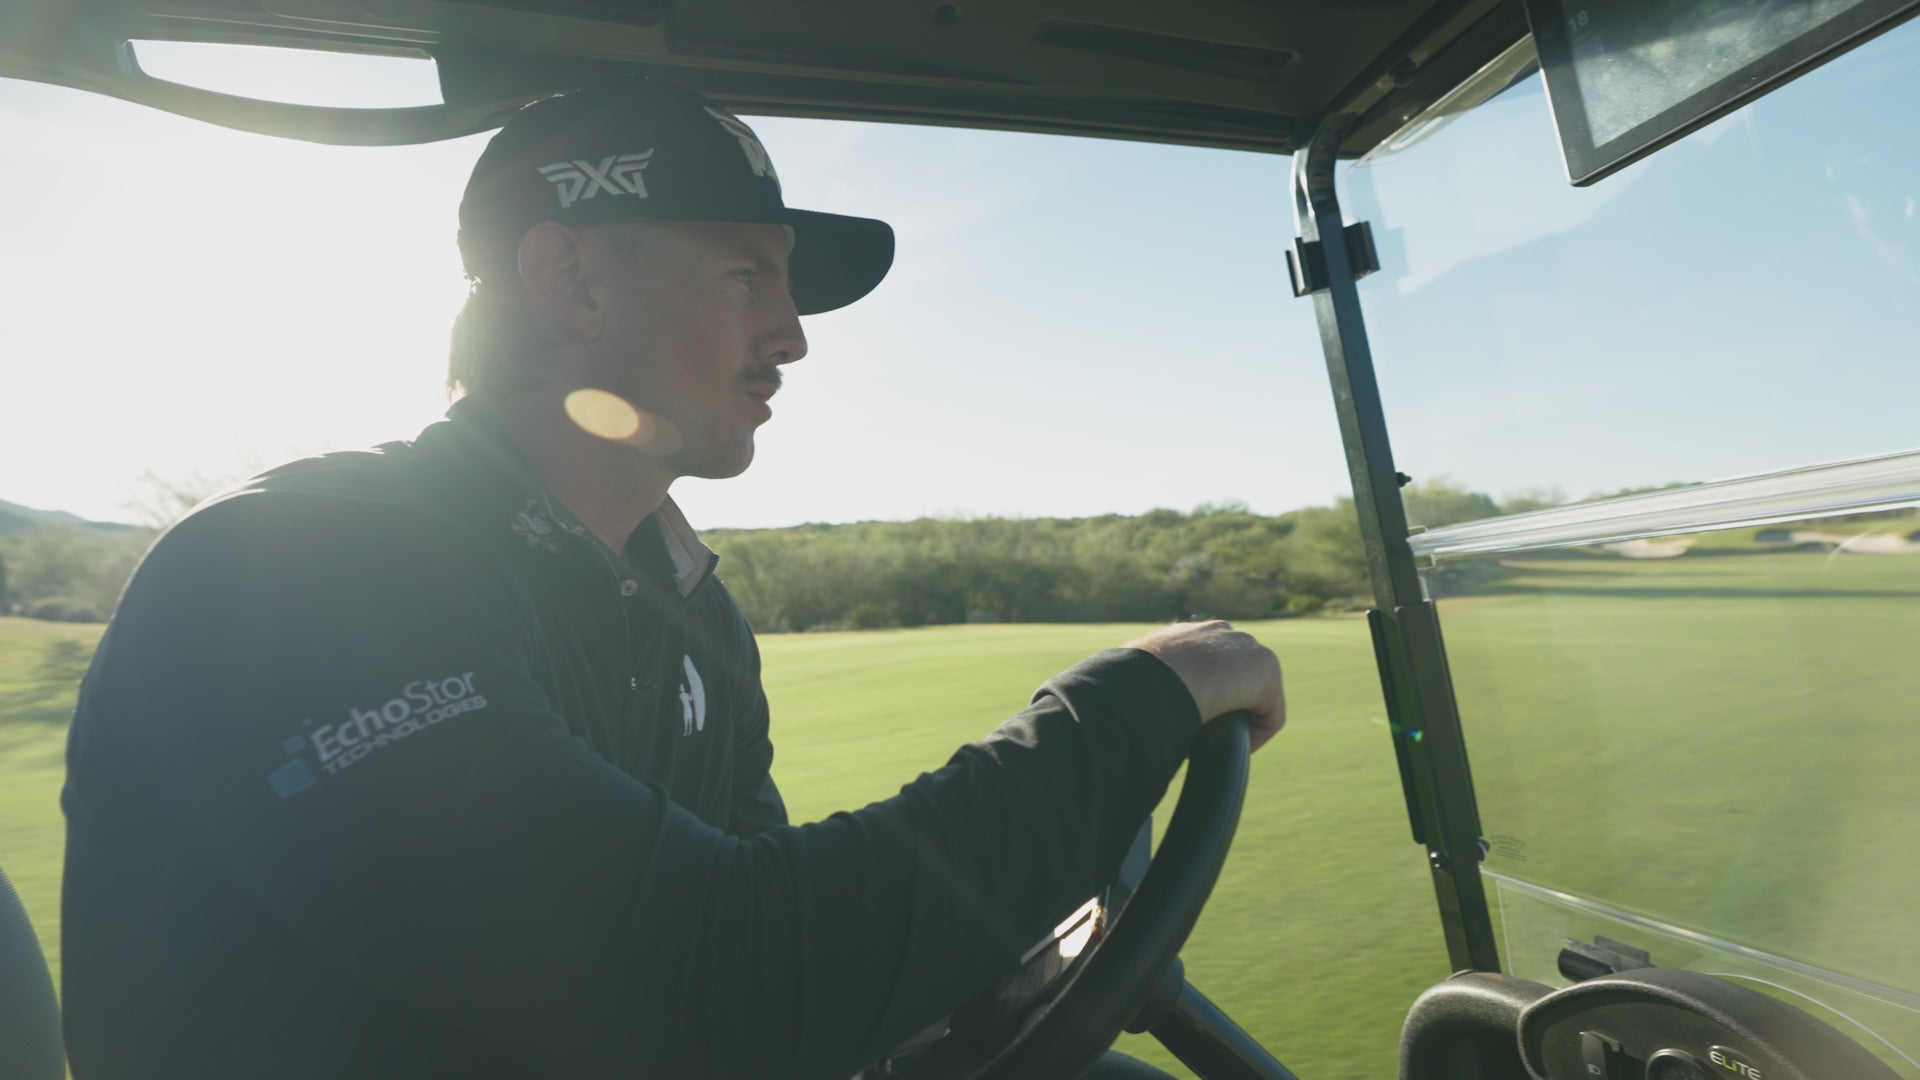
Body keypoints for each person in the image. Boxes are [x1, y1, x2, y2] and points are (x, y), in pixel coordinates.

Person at [59, 78, 1284, 1079]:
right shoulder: (297, 572)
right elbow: (713, 993)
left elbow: (772, 961)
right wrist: (1143, 695)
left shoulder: (691, 609)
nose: (795, 334)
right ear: (569, 281)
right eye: (747, 273)